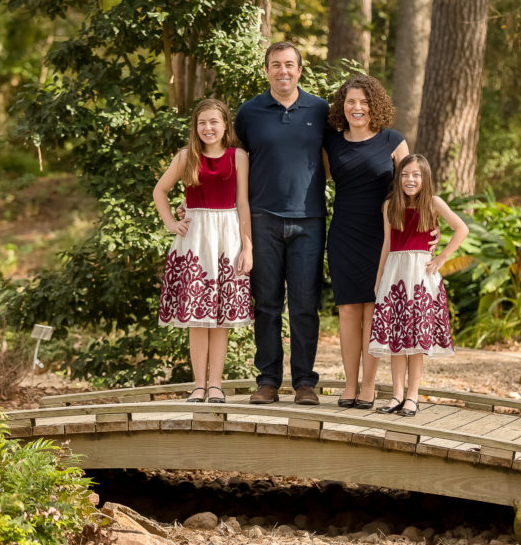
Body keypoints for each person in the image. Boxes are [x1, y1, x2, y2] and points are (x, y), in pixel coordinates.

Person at [234, 41, 330, 405]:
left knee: (305, 304)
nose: (283, 71)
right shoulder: (250, 112)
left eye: (289, 65)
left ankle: (305, 383)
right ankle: (268, 382)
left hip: (309, 220)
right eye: (276, 65)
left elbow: (343, 155)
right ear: (266, 71)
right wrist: (191, 200)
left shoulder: (320, 110)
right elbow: (229, 163)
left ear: (300, 70)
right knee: (267, 305)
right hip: (262, 220)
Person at [154, 98, 253, 403]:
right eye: (202, 123)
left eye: (214, 122)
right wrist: (171, 223)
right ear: (195, 128)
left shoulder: (238, 156)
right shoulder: (186, 157)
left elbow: (243, 203)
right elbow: (160, 190)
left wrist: (247, 245)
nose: (208, 128)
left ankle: (216, 385)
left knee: (220, 319)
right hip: (195, 241)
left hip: (227, 238)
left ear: (226, 126)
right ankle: (198, 385)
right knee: (198, 318)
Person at [324, 75, 408, 409]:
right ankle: (349, 385)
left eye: (364, 102)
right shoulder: (332, 142)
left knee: (373, 310)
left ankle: (369, 386)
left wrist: (423, 229)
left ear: (375, 104)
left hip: (382, 236)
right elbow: (309, 176)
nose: (357, 108)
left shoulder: (393, 140)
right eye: (350, 102)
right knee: (347, 310)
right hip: (343, 232)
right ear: (342, 107)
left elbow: (413, 186)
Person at [368, 154, 469, 417]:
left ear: (425, 178)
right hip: (395, 273)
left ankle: (413, 396)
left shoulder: (433, 203)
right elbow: (387, 245)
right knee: (396, 338)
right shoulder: (389, 205)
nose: (410, 179)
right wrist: (379, 279)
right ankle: (397, 394)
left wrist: (442, 258)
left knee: (416, 338)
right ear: (398, 178)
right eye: (405, 174)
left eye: (416, 175)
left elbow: (462, 229)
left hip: (421, 275)